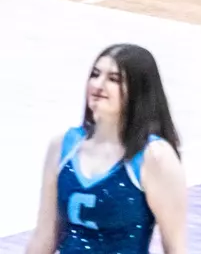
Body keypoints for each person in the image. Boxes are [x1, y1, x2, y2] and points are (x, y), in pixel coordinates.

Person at [24, 44, 186, 253]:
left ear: (138, 90)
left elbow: (176, 248)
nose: (98, 85)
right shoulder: (62, 147)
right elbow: (44, 237)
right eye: (95, 74)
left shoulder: (155, 157)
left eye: (114, 79)